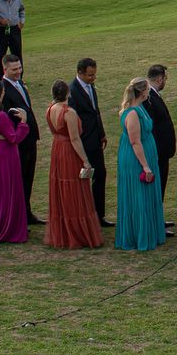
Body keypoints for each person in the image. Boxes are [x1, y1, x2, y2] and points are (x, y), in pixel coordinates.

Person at [40, 82, 101, 249]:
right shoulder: (69, 113)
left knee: (61, 187)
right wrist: (85, 161)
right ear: (67, 93)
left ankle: (64, 231)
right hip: (68, 152)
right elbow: (75, 139)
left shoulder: (50, 109)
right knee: (75, 189)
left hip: (57, 150)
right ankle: (77, 233)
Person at [115, 78, 165, 252]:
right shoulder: (132, 113)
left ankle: (149, 232)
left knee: (146, 195)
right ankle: (139, 235)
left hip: (145, 154)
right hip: (136, 159)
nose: (149, 92)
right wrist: (145, 166)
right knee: (139, 196)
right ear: (142, 92)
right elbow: (135, 142)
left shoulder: (140, 107)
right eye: (148, 89)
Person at [0, 54, 43, 225]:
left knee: (28, 177)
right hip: (18, 140)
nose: (18, 72)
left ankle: (27, 211)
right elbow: (5, 117)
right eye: (14, 69)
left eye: (20, 68)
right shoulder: (2, 89)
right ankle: (19, 216)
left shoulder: (20, 84)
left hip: (29, 137)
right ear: (5, 69)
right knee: (19, 179)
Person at [69, 58, 109, 228]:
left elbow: (95, 112)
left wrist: (102, 133)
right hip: (83, 142)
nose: (93, 78)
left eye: (94, 75)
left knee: (100, 175)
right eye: (90, 75)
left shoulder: (90, 87)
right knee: (83, 179)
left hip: (95, 139)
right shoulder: (72, 91)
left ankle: (99, 215)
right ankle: (85, 216)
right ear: (80, 73)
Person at [142, 65, 177, 231]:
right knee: (157, 187)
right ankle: (155, 223)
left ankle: (158, 219)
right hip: (158, 151)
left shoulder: (152, 95)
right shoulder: (148, 97)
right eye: (165, 79)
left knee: (160, 187)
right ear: (160, 79)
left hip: (162, 150)